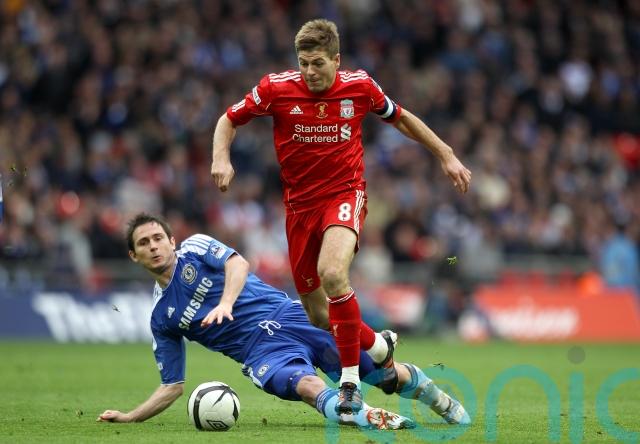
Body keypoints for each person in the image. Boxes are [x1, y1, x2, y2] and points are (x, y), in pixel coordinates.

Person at [210, 18, 472, 413]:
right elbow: (228, 119)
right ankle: (379, 345)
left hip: (344, 195)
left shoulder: (360, 86)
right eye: (303, 63)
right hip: (299, 209)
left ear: (336, 60)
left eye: (317, 63)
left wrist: (446, 154)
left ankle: (350, 384)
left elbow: (400, 117)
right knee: (319, 315)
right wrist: (221, 158)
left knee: (333, 273)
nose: (309, 72)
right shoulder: (275, 89)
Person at [97, 213, 470, 429]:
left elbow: (238, 263)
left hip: (292, 316)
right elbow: (173, 385)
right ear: (133, 256)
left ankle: (436, 397)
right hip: (260, 352)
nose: (153, 246)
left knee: (382, 377)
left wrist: (226, 302)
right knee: (305, 385)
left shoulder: (195, 248)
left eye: (158, 238)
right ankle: (362, 416)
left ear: (171, 240)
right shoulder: (161, 318)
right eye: (143, 243)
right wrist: (131, 417)